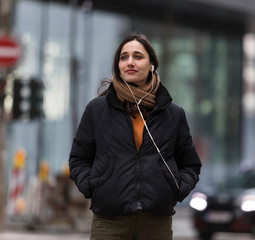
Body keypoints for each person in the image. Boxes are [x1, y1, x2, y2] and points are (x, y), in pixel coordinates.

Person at [69, 32, 202, 240]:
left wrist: (175, 189)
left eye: (138, 56)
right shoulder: (97, 110)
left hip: (156, 222)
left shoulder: (173, 114)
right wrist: (92, 186)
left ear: (151, 65)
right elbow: (79, 158)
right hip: (109, 221)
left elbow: (191, 164)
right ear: (118, 65)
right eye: (124, 57)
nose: (129, 62)